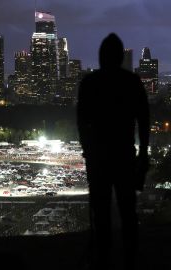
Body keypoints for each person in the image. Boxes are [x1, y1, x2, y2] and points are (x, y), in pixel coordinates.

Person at [77, 33, 150, 270]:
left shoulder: (90, 83)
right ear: (120, 57)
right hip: (124, 156)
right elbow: (144, 120)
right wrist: (143, 153)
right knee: (128, 210)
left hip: (99, 158)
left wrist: (87, 149)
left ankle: (103, 258)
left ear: (101, 57)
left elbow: (81, 122)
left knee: (101, 212)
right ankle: (130, 257)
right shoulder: (132, 82)